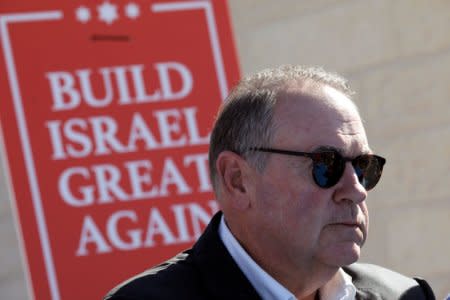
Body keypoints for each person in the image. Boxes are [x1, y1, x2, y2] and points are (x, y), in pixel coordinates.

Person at [104, 66, 435, 300]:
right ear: (238, 180)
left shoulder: (403, 295)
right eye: (326, 165)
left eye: (363, 166)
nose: (356, 189)